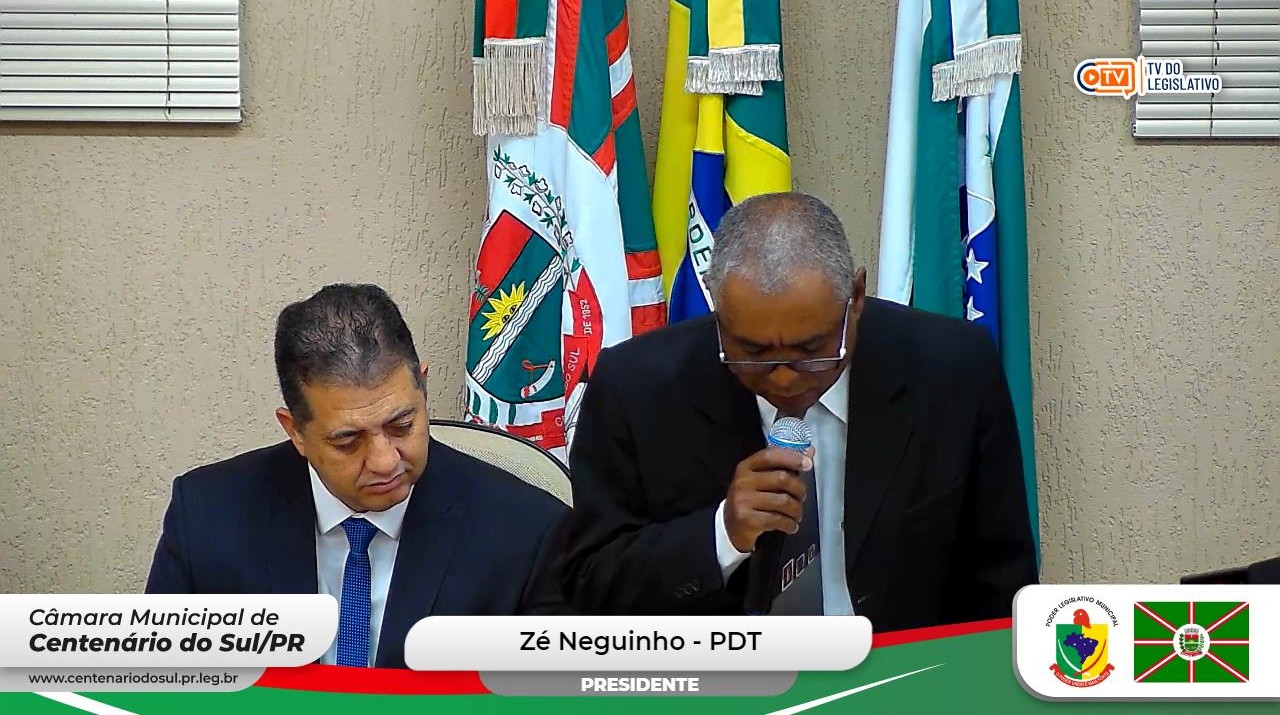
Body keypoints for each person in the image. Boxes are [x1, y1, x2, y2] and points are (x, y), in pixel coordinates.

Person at [558, 192, 1038, 630]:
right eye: (753, 352)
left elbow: (999, 579)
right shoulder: (637, 387)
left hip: (903, 672)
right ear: (716, 305)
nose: (784, 378)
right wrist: (722, 535)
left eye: (811, 351)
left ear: (855, 299)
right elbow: (588, 584)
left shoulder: (952, 369)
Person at [146, 283, 568, 668]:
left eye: (402, 425)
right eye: (348, 441)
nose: (384, 461)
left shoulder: (528, 533)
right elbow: (159, 684)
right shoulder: (206, 516)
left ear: (422, 388)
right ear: (296, 432)